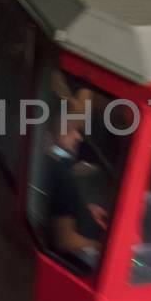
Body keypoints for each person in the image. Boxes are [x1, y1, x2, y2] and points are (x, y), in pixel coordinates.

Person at [43, 94, 110, 268]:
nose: (78, 137)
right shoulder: (61, 175)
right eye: (71, 129)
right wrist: (103, 248)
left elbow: (61, 207)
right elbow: (65, 240)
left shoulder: (47, 164)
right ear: (50, 131)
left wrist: (83, 209)